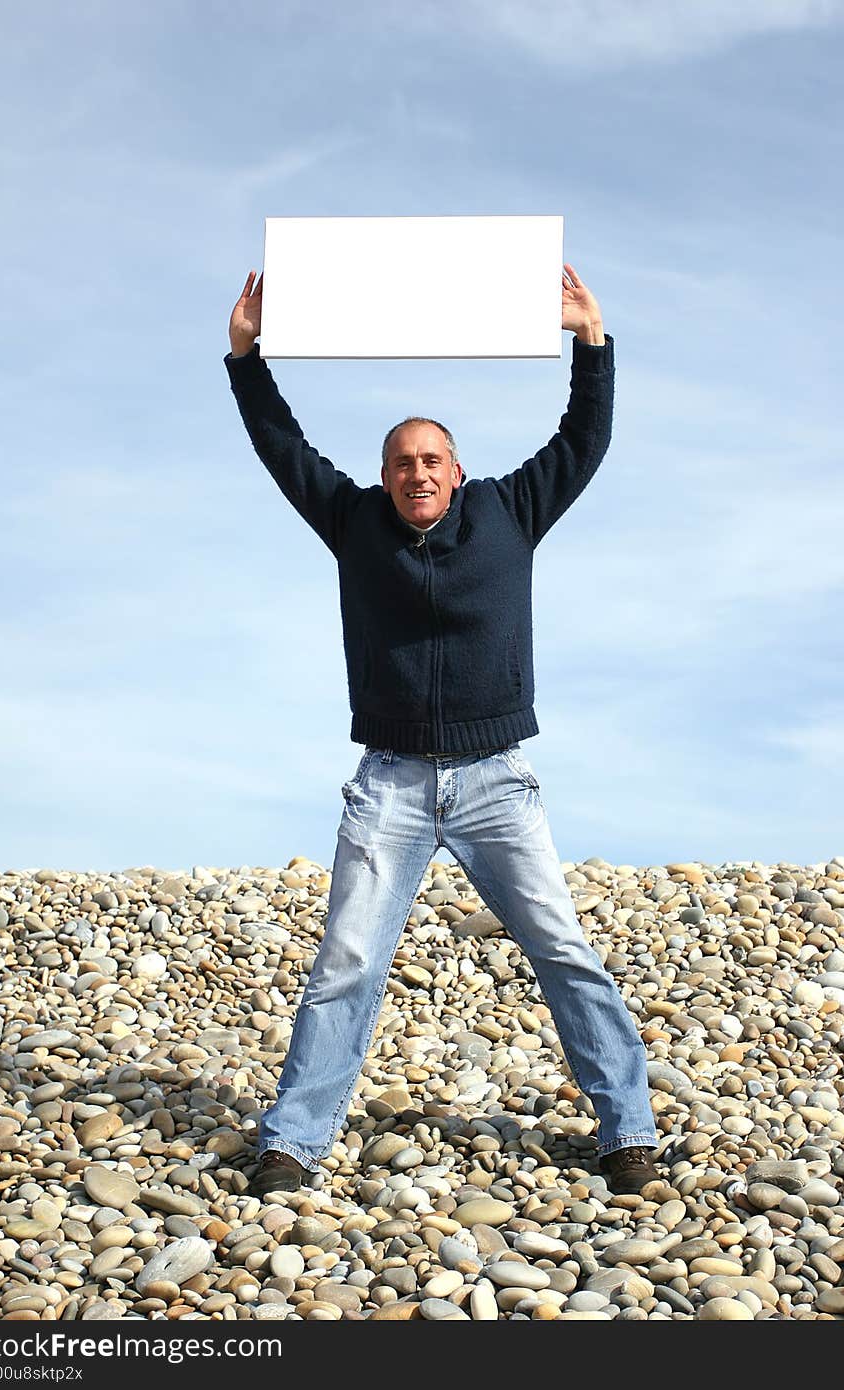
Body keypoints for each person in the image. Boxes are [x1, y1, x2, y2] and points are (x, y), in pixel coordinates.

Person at [224, 261, 659, 1197]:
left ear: (455, 472)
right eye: (401, 462)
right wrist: (246, 357)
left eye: (432, 460)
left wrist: (591, 341)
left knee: (562, 949)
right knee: (345, 960)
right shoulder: (354, 523)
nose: (417, 473)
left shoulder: (509, 509)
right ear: (384, 478)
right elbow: (281, 447)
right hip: (390, 784)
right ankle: (294, 1141)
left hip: (497, 779)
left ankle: (629, 1131)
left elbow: (584, 437)